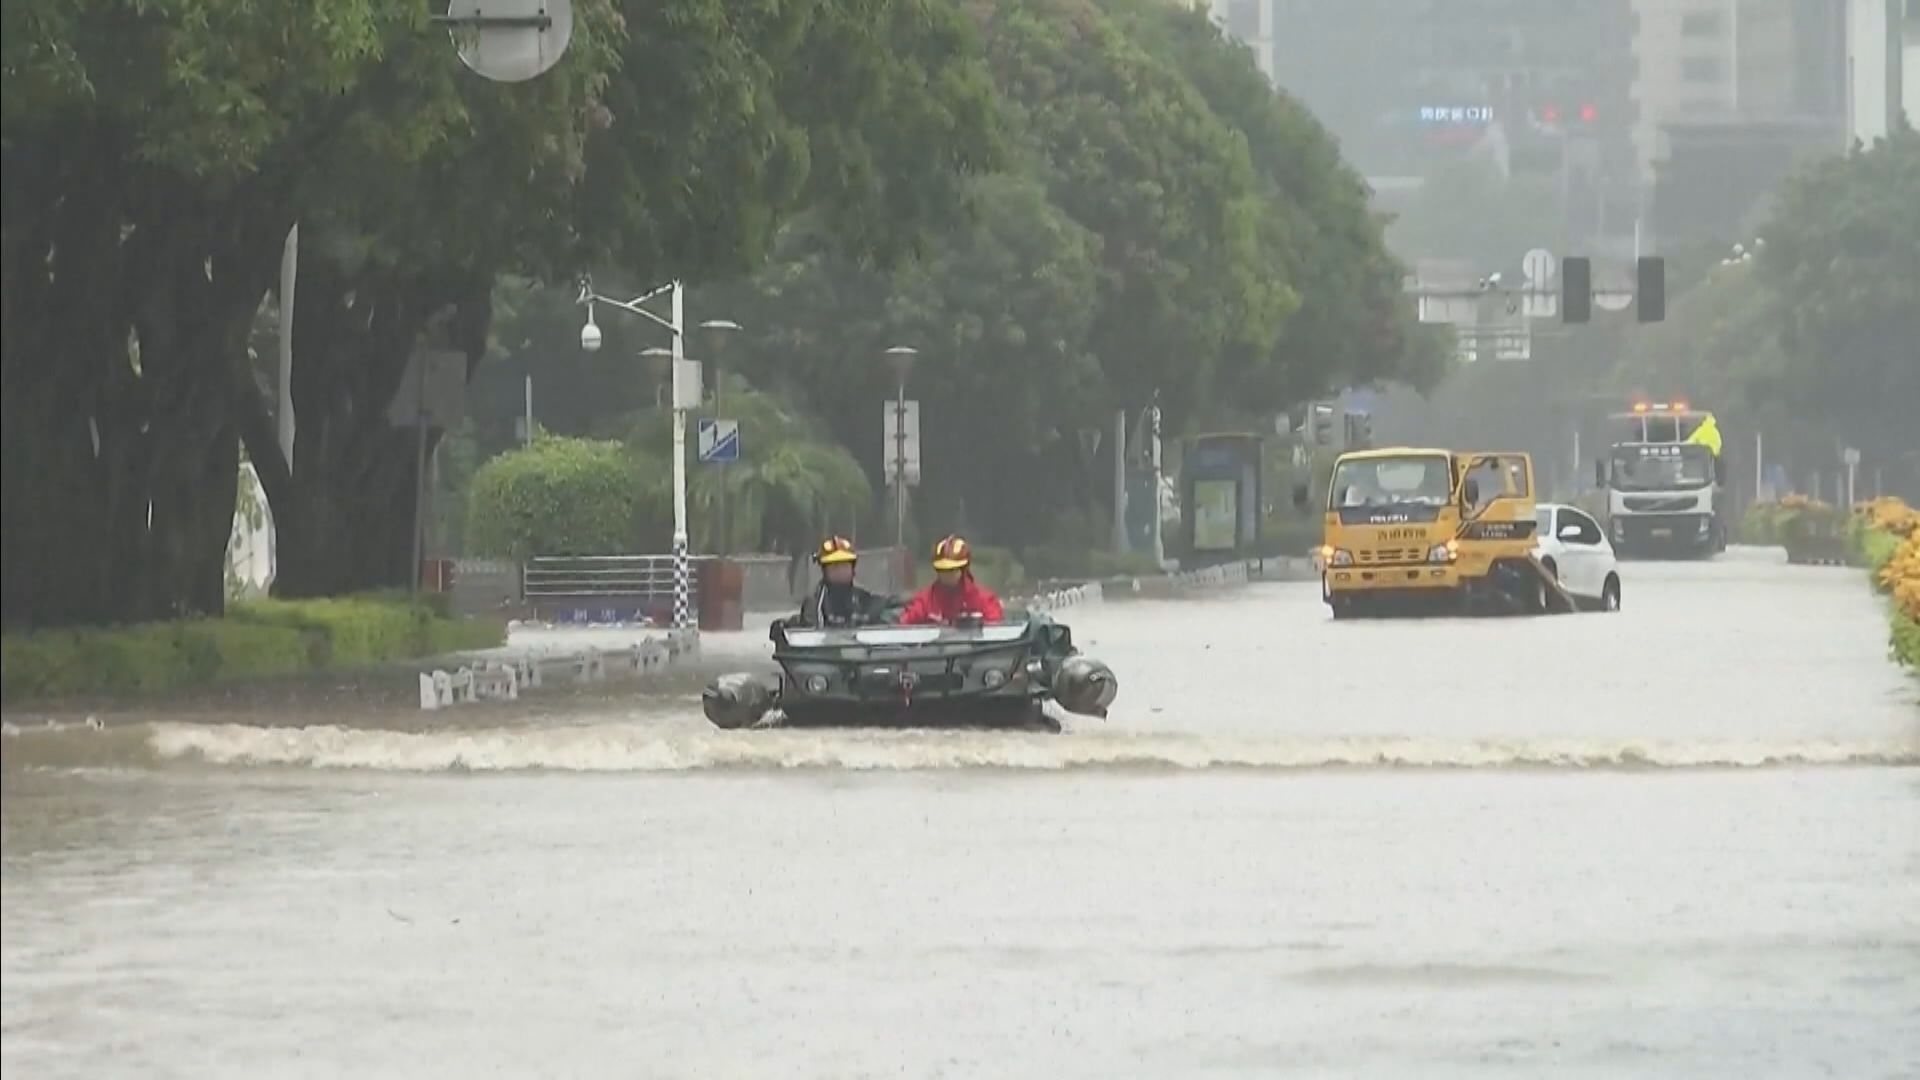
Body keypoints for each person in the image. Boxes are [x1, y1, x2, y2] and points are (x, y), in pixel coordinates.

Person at [900, 535, 1004, 626]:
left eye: (951, 570)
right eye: (941, 569)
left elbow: (997, 632)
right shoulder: (925, 601)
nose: (946, 574)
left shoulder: (985, 600)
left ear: (964, 569)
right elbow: (903, 627)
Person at [788, 536, 882, 628]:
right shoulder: (815, 603)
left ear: (853, 569)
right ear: (824, 571)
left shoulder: (863, 598)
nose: (840, 571)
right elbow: (811, 631)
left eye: (844, 566)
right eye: (835, 566)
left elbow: (889, 608)